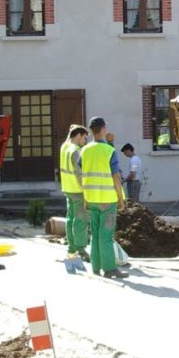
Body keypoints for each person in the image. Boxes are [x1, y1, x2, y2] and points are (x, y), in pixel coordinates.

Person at [80, 117, 128, 279]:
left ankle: (96, 266)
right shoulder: (109, 150)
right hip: (107, 201)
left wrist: (86, 199)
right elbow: (116, 176)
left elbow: (83, 175)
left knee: (94, 234)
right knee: (106, 236)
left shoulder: (85, 150)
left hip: (92, 199)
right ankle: (109, 269)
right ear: (102, 130)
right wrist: (120, 198)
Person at [59, 124, 90, 261]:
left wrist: (72, 129)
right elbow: (79, 173)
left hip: (67, 189)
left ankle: (71, 249)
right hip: (78, 190)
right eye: (84, 137)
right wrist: (86, 190)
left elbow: (68, 138)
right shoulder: (76, 151)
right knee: (80, 221)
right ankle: (81, 250)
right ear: (78, 135)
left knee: (70, 219)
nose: (85, 141)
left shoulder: (64, 147)